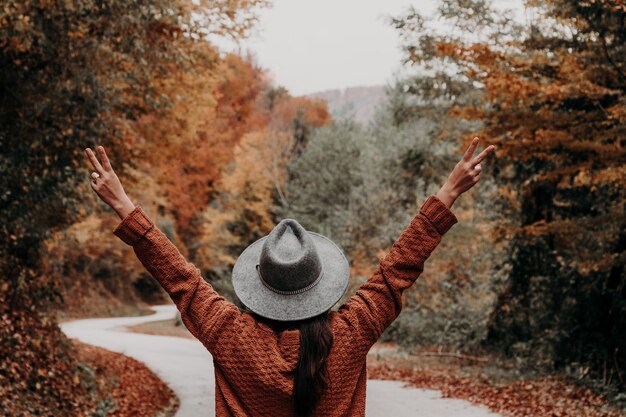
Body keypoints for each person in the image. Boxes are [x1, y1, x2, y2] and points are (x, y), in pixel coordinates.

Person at [84, 137, 495, 417]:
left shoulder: (232, 337)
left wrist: (124, 204)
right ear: (319, 284)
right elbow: (396, 273)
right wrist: (447, 193)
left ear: (260, 285)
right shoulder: (349, 335)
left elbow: (180, 279)